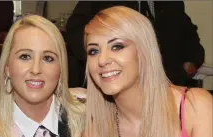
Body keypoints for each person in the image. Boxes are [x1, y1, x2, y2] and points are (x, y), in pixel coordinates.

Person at [81, 6, 212, 137]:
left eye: (117, 46)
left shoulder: (195, 107)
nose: (102, 59)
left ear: (143, 51)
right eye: (93, 51)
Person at [66, 1, 205, 87]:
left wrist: (187, 67)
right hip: (116, 87)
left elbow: (190, 37)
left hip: (166, 83)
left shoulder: (171, 4)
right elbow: (75, 31)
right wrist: (101, 61)